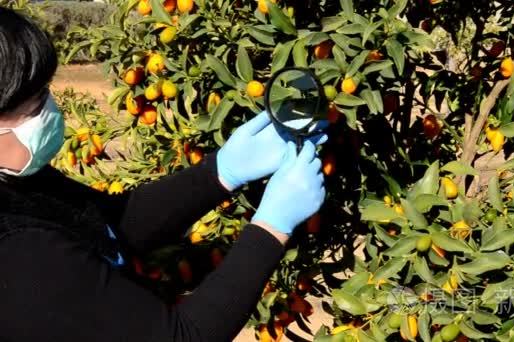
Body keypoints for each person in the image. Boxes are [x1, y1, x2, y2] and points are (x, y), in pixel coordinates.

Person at [0, 8, 326, 342]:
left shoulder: (17, 178)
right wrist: (271, 226)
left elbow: (110, 225)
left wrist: (220, 172)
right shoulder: (18, 253)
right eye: (36, 103)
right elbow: (183, 337)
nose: (52, 108)